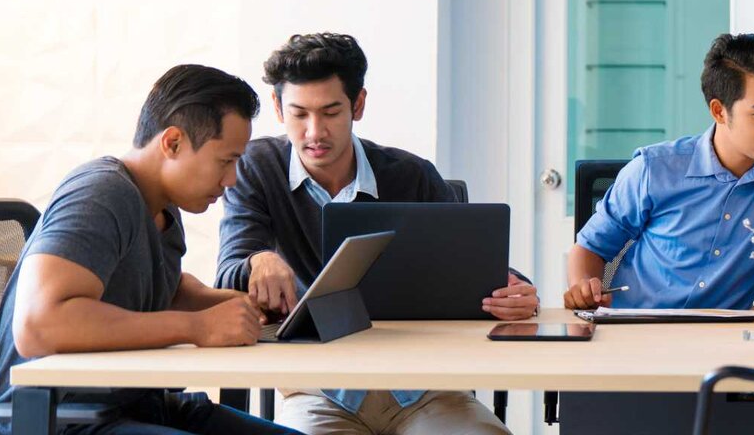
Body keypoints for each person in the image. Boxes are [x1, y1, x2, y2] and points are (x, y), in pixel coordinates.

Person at [217, 33, 524, 434]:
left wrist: (516, 292)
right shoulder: (256, 169)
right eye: (299, 114)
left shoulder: (411, 175)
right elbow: (228, 272)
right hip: (318, 393)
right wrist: (258, 260)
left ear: (357, 105)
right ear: (277, 108)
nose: (314, 132)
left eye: (330, 112)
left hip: (427, 389)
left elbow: (477, 270)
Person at [0, 64, 298, 434]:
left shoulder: (164, 207)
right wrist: (196, 326)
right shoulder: (101, 194)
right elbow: (38, 325)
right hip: (63, 419)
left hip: (139, 405)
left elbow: (155, 289)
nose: (232, 179)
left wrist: (231, 305)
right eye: (226, 161)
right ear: (172, 143)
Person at [564, 33, 754, 311]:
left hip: (725, 344)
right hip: (635, 333)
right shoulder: (653, 168)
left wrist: (736, 338)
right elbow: (591, 248)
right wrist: (584, 290)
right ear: (719, 111)